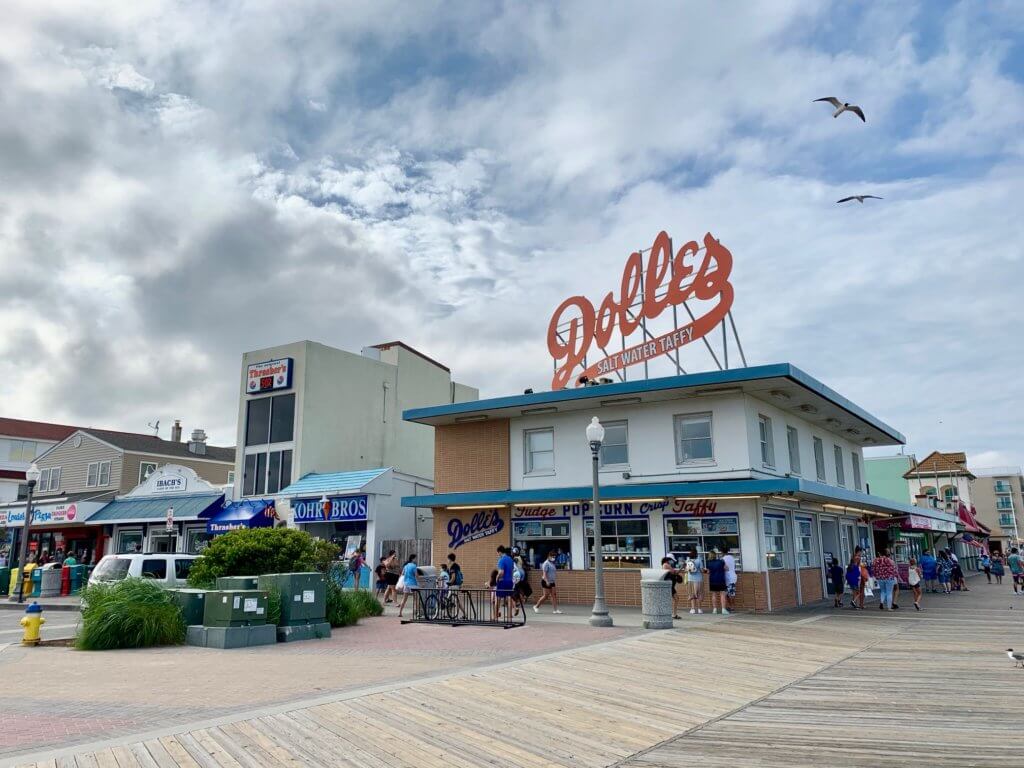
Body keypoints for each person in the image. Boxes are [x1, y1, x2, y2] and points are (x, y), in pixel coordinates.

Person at [495, 545, 516, 621]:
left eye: (498, 553)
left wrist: (497, 578)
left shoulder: (501, 560)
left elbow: (501, 572)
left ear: (500, 552)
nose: (498, 555)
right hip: (510, 581)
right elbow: (512, 570)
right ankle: (509, 616)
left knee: (498, 599)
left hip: (502, 581)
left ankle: (496, 616)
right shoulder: (511, 560)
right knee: (509, 598)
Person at [396, 553, 420, 618]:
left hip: (406, 584)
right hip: (413, 584)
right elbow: (416, 575)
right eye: (415, 558)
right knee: (416, 599)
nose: (416, 559)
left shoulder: (406, 566)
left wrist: (400, 582)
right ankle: (417, 613)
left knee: (404, 599)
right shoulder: (414, 566)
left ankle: (400, 613)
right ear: (413, 559)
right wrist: (421, 582)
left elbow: (402, 574)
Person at [686, 547, 705, 615]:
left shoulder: (688, 560)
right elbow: (702, 570)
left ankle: (693, 609)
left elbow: (686, 570)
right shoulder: (699, 560)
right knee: (699, 594)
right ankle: (699, 609)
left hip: (690, 579)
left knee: (692, 594)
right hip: (698, 579)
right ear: (696, 553)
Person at [722, 545, 738, 611]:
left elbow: (723, 568)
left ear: (722, 552)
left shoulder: (723, 559)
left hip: (727, 578)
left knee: (727, 594)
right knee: (732, 593)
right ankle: (732, 606)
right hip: (733, 577)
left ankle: (730, 606)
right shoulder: (732, 557)